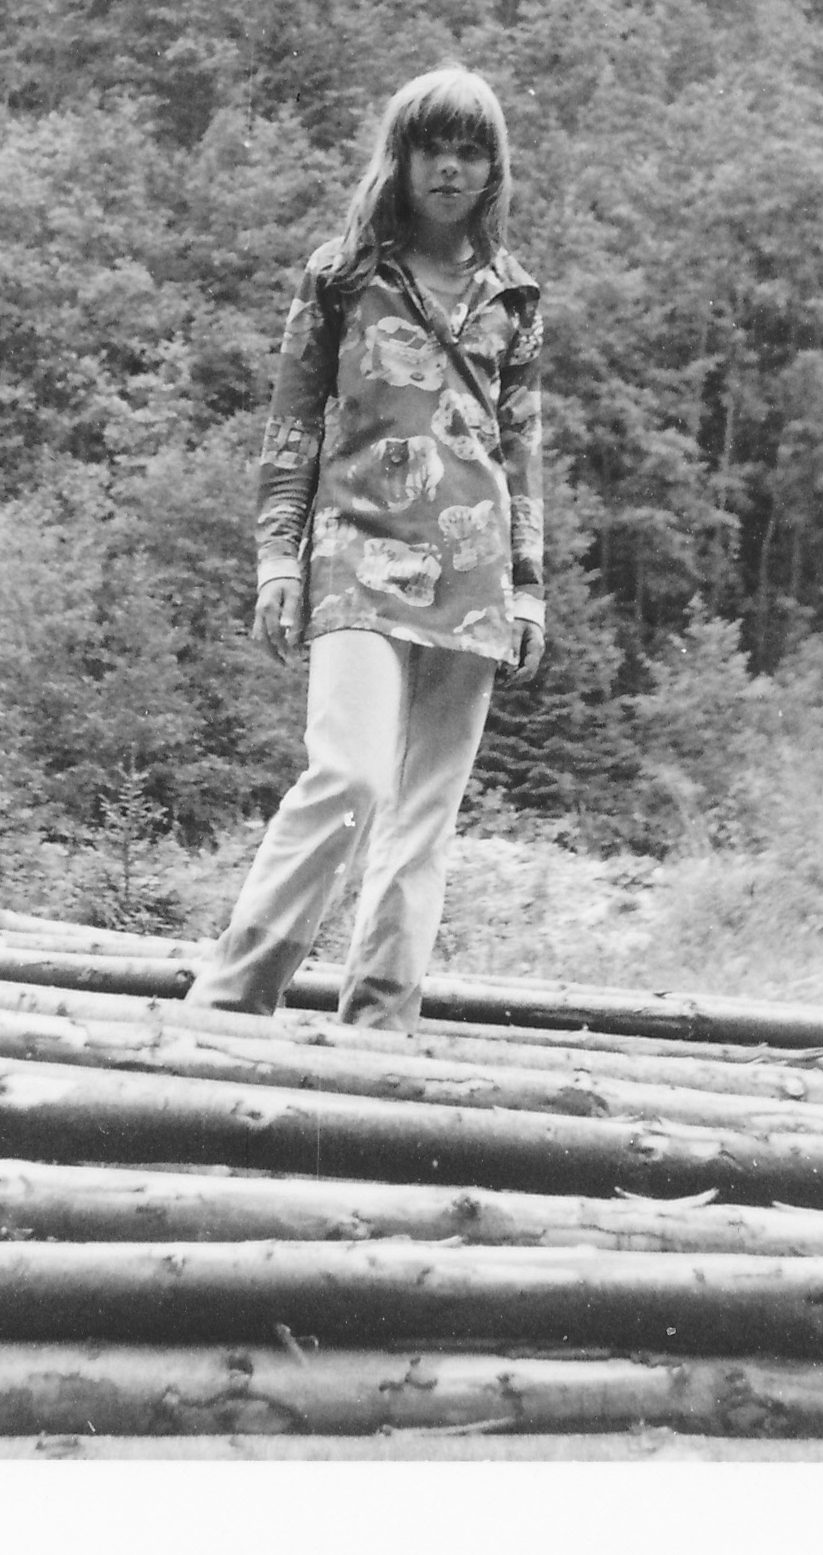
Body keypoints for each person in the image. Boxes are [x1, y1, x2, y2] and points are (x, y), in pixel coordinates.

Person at [187, 64, 546, 1032]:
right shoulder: (342, 275)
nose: (451, 169)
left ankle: (380, 1028)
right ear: (402, 156)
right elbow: (290, 431)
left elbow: (521, 451)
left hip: (473, 576)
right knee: (348, 778)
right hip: (356, 556)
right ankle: (229, 1003)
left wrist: (528, 589)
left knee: (423, 816)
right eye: (434, 149)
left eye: (471, 152)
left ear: (494, 168)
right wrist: (276, 560)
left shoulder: (514, 295)